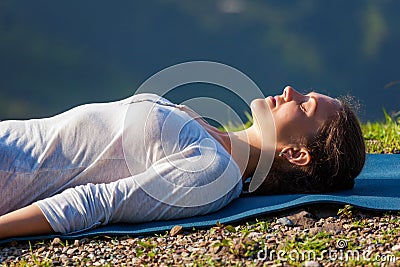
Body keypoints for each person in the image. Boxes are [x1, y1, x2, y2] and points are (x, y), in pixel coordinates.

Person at [0, 86, 366, 239]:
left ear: (296, 154)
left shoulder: (214, 173)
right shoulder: (213, 136)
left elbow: (95, 204)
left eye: (303, 105)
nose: (290, 91)